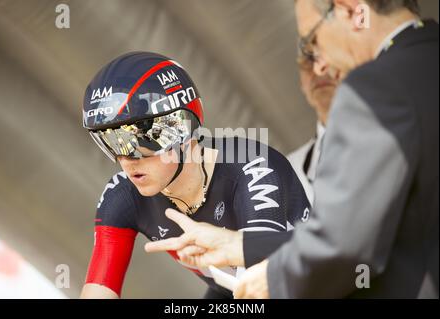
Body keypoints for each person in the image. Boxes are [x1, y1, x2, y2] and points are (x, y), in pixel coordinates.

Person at [147, 0, 439, 299]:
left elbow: (347, 243)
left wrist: (275, 278)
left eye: (312, 39)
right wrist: (241, 246)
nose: (321, 63)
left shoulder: (376, 86)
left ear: (352, 9)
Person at [80, 52, 310, 298]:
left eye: (135, 140)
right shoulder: (121, 195)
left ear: (180, 127)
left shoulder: (253, 164)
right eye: (109, 143)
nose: (125, 160)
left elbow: (267, 278)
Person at [287, 53, 338, 204]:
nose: (317, 70)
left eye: (327, 57)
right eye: (307, 62)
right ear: (302, 84)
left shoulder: (393, 141)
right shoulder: (286, 172)